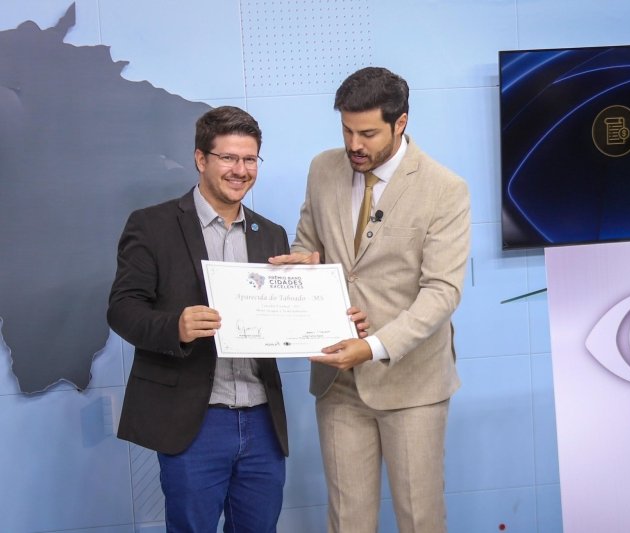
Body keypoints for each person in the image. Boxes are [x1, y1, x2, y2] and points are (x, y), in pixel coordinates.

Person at [270, 67, 471, 533]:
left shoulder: (445, 189)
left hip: (412, 382)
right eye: (346, 130)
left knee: (419, 520)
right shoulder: (323, 169)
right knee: (347, 521)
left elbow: (442, 292)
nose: (354, 144)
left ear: (400, 123)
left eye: (367, 134)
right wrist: (303, 267)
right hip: (337, 381)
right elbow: (308, 245)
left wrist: (373, 345)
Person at [107, 106, 290, 532]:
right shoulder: (151, 226)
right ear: (200, 159)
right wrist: (176, 327)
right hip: (194, 419)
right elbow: (122, 308)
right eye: (228, 158)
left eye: (250, 159)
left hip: (262, 419)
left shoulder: (272, 234)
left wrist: (317, 304)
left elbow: (284, 317)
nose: (240, 170)